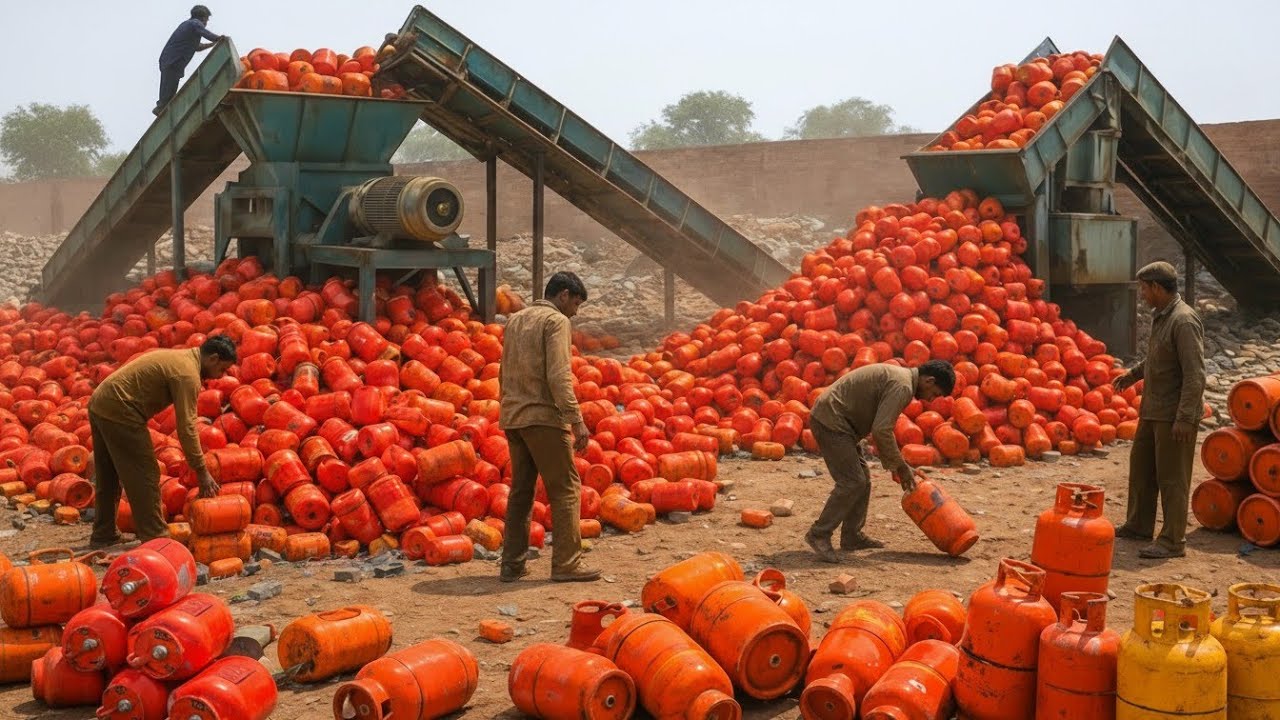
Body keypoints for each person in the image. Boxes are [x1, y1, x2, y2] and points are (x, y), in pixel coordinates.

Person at [88, 336, 237, 548]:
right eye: (222, 369)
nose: (220, 376)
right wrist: (202, 471)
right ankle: (156, 538)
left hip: (100, 402)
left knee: (109, 475)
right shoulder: (187, 374)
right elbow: (187, 428)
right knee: (146, 473)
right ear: (213, 358)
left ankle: (104, 534)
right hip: (121, 409)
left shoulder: (183, 358)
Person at [497, 271, 599, 582]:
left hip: (513, 417)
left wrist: (509, 408)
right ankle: (567, 563)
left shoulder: (515, 320)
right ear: (563, 295)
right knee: (566, 488)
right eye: (576, 303)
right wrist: (576, 420)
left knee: (521, 492)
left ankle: (512, 564)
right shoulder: (556, 321)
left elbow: (503, 372)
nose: (575, 312)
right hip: (543, 418)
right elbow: (558, 375)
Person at [804, 359, 956, 563]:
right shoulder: (903, 386)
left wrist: (895, 464)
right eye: (934, 394)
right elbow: (881, 429)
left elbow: (881, 428)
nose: (930, 399)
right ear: (929, 380)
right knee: (852, 482)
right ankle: (819, 534)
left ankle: (851, 536)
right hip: (831, 421)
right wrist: (899, 465)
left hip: (840, 422)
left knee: (863, 480)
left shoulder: (902, 379)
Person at [1113, 261, 1205, 559]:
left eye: (1144, 288)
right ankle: (1139, 525)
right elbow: (1158, 358)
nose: (1141, 294)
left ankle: (1172, 541)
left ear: (1156, 287)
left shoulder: (1184, 321)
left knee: (1172, 477)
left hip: (1173, 415)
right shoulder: (1163, 317)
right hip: (1153, 409)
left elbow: (1195, 374)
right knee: (1141, 469)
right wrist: (1133, 375)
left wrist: (1185, 417)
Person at [155, 5, 225, 116]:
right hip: (172, 61)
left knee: (169, 90)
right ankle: (161, 108)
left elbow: (197, 47)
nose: (206, 23)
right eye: (206, 20)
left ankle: (162, 108)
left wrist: (213, 44)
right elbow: (206, 33)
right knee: (168, 90)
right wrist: (219, 38)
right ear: (202, 18)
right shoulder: (194, 23)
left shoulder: (188, 26)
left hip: (171, 62)